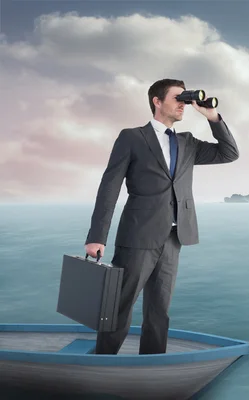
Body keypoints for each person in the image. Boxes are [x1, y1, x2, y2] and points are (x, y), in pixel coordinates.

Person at [84, 78, 239, 355]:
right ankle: (103, 360)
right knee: (120, 304)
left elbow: (229, 153)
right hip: (138, 235)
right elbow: (109, 188)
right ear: (157, 101)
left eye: (185, 98)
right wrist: (97, 237)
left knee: (159, 309)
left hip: (173, 236)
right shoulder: (132, 137)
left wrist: (212, 116)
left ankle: (152, 363)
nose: (183, 104)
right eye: (178, 98)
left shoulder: (187, 142)